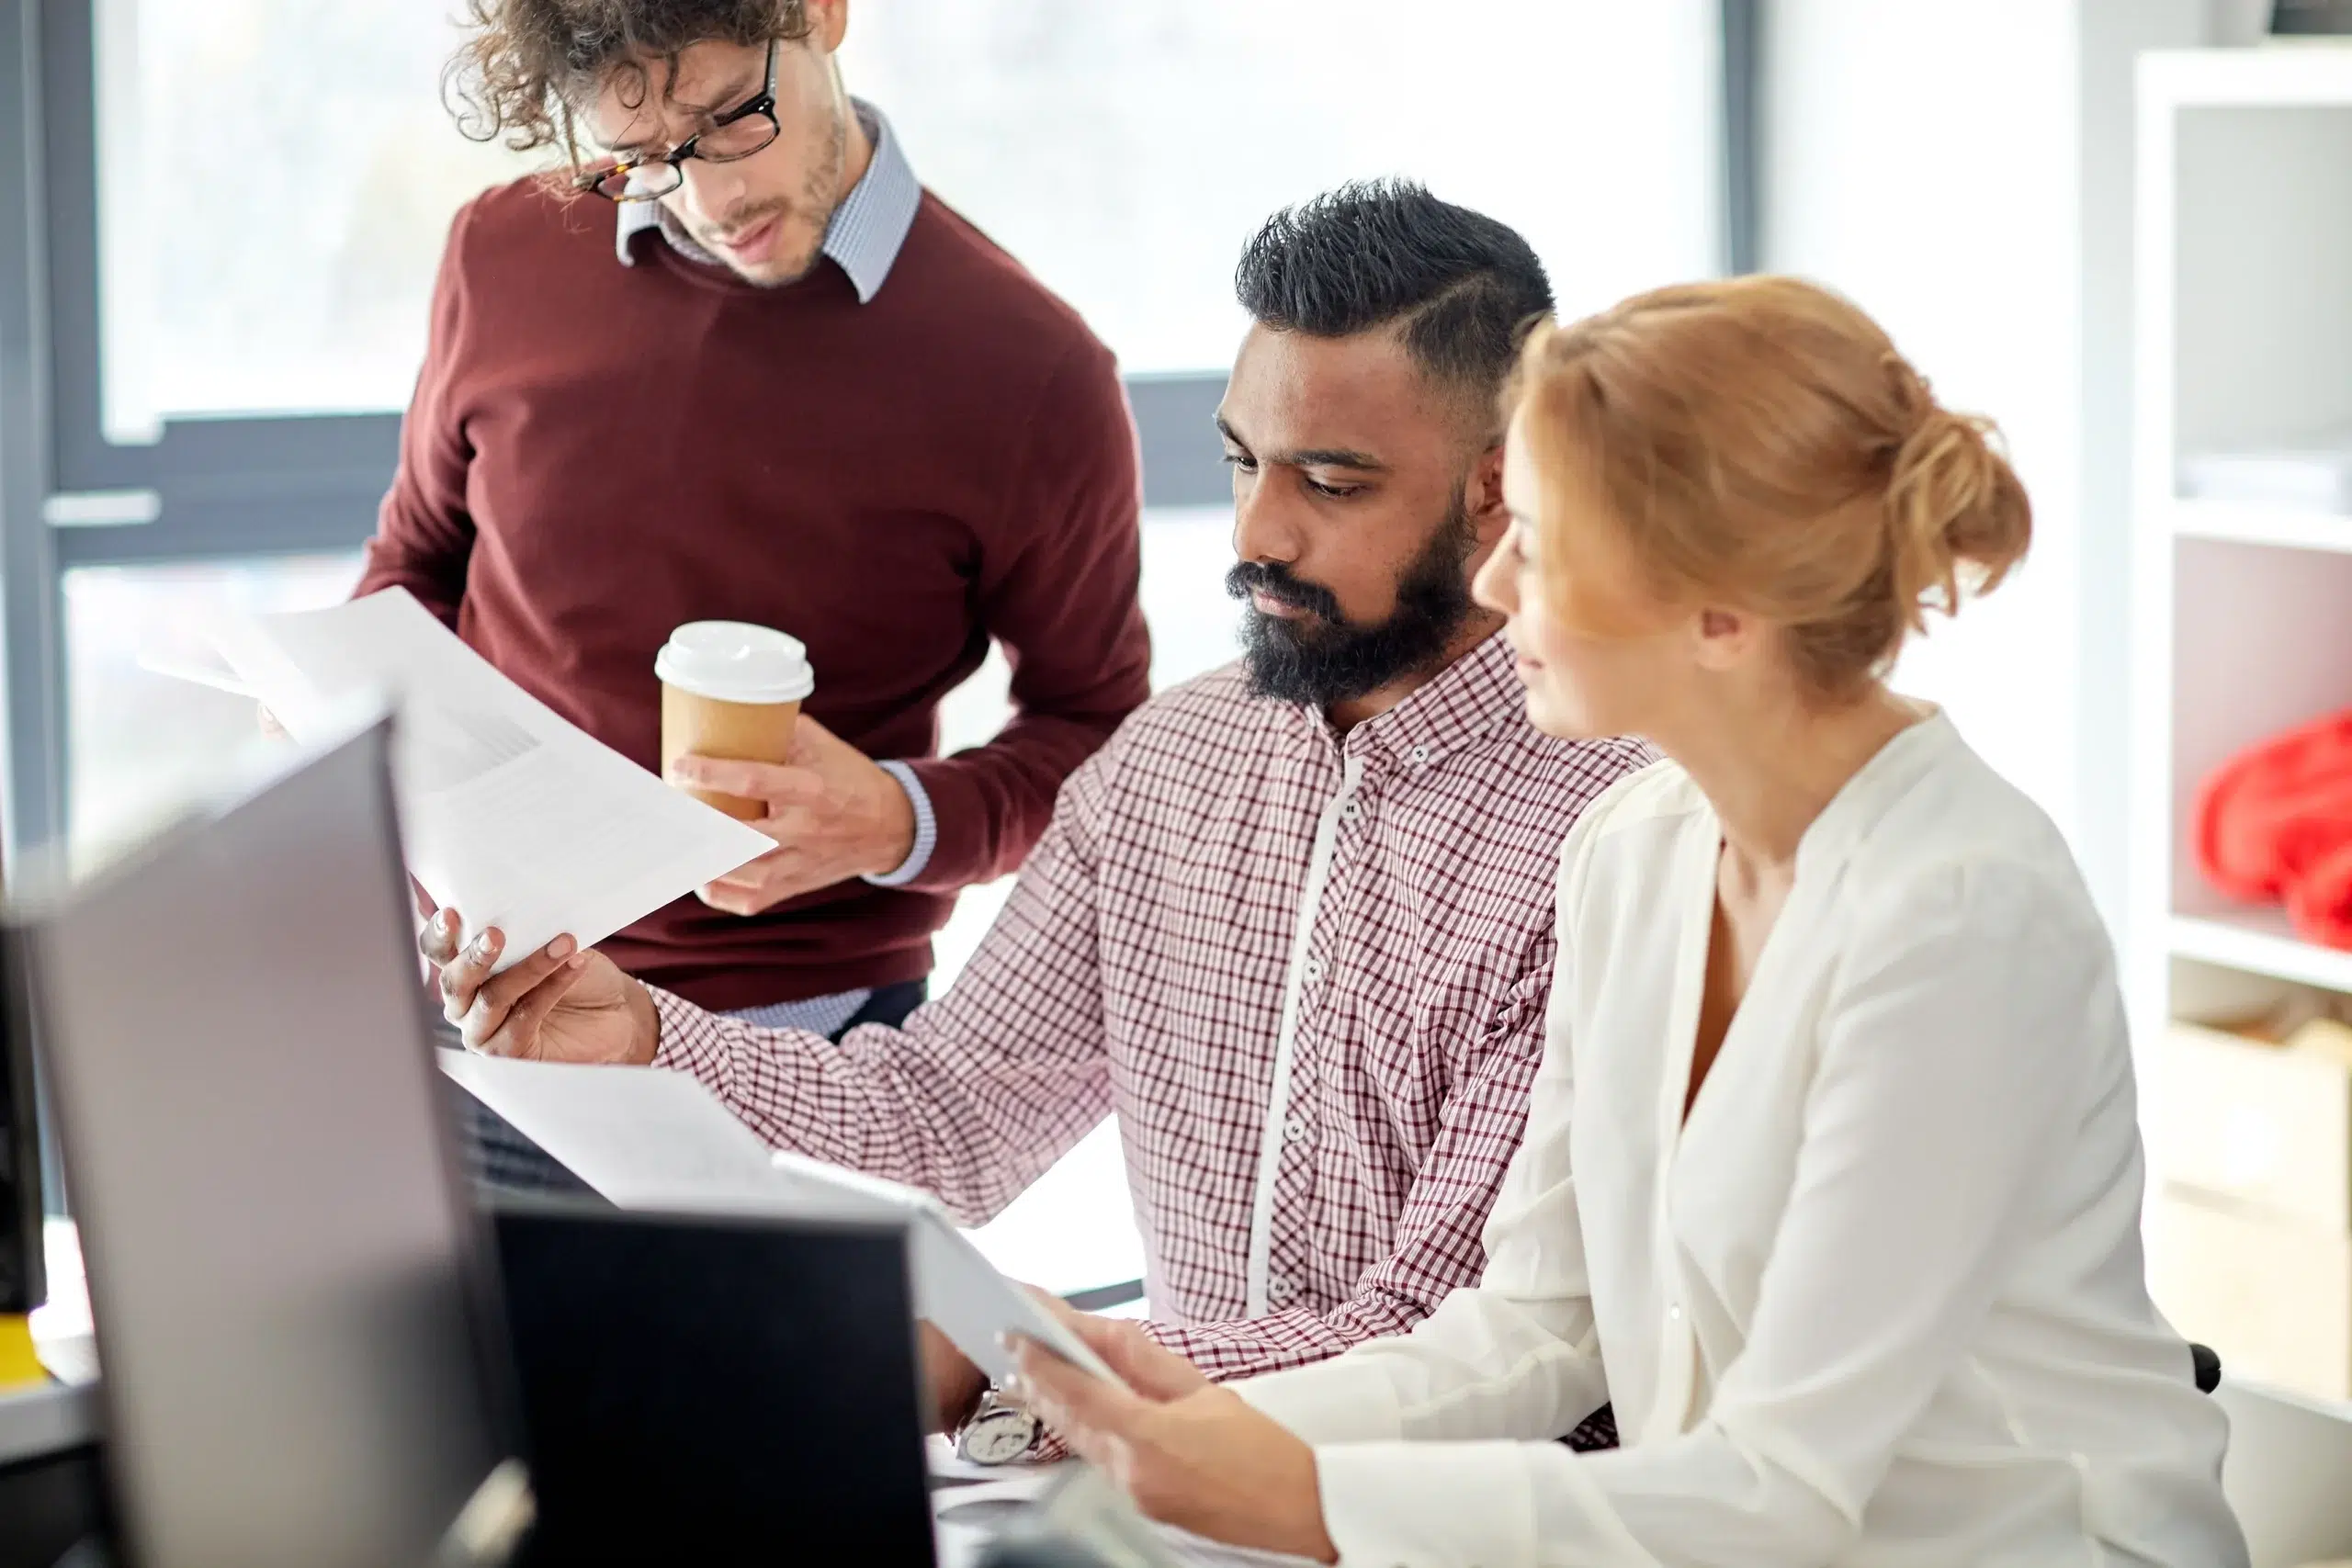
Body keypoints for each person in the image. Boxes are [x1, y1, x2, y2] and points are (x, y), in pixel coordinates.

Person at [1007, 276, 2250, 1567]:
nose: (1489, 576)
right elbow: (1539, 1329)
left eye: (1537, 543)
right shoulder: (1633, 848)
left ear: (1718, 614)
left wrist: (1307, 1500)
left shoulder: (1959, 916)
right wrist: (1173, 1413)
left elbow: (1782, 1488)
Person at [423, 182, 1650, 1452]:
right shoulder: (1169, 762)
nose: (1255, 530)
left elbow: (1450, 1336)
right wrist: (644, 1040)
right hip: (1170, 1517)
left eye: (1331, 483)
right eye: (1241, 460)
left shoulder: (1622, 829)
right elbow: (947, 1108)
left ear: (1497, 490)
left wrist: (1009, 1366)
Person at [363, 0, 1150, 1036]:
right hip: (485, 1008)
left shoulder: (1033, 371)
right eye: (641, 157)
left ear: (820, 15)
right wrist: (339, 702)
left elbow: (1100, 738)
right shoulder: (501, 250)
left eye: (736, 115)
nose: (709, 199)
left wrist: (894, 821)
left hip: (806, 1036)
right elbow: (415, 568)